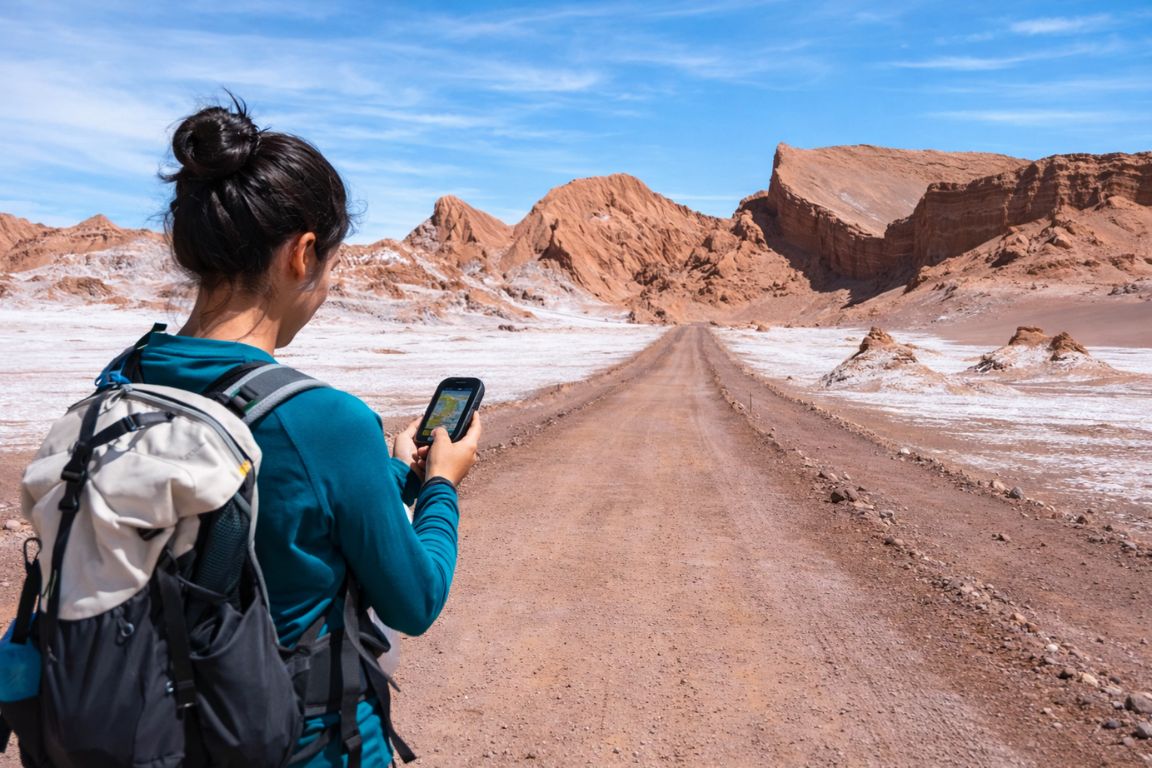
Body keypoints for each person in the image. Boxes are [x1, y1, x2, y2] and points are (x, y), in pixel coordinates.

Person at [115, 96, 480, 766]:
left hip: (152, 738)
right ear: (303, 254)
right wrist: (441, 487)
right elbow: (416, 600)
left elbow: (257, 496)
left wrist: (388, 469)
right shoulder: (323, 421)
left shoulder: (125, 382)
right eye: (331, 264)